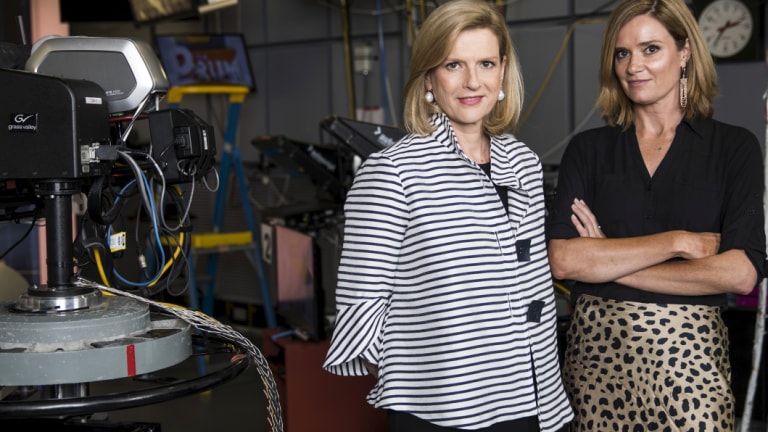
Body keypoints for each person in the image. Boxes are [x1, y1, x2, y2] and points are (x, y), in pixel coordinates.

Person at [322, 1, 573, 431]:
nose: (472, 81)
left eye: (486, 63)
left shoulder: (523, 163)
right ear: (428, 78)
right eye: (453, 64)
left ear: (502, 71)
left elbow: (531, 283)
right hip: (443, 405)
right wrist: (422, 372)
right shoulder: (393, 171)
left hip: (532, 395)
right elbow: (362, 302)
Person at [546, 0, 767, 430]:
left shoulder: (733, 148)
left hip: (692, 372)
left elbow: (740, 274)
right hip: (596, 367)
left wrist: (607, 258)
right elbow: (565, 261)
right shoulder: (588, 150)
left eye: (651, 49)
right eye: (622, 53)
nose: (633, 66)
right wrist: (677, 242)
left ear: (684, 53)